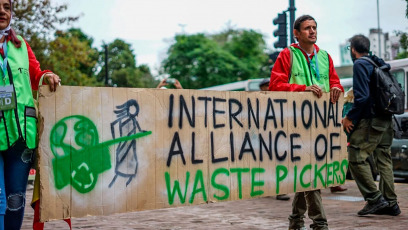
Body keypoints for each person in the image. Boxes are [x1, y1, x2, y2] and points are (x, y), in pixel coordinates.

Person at [269, 15, 344, 230]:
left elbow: (334, 82)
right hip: (294, 126)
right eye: (307, 28)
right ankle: (320, 223)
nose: (312, 31)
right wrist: (303, 89)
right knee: (311, 173)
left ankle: (296, 221)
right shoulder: (287, 55)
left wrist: (336, 88)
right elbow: (275, 86)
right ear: (296, 33)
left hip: (321, 127)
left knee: (309, 173)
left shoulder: (325, 57)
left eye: (314, 27)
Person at [0, 0, 61, 229]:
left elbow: (36, 74)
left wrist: (48, 76)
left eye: (7, 6)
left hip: (22, 137)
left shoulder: (21, 46)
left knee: (16, 200)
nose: (2, 11)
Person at [342, 34, 401, 216]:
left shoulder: (360, 64)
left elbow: (363, 97)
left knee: (356, 156)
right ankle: (391, 203)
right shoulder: (378, 63)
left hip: (372, 120)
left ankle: (375, 199)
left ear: (353, 49)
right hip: (386, 119)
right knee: (383, 160)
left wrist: (349, 117)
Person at [259, 79, 291, 201]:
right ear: (261, 88)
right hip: (264, 138)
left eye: (269, 85)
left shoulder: (279, 97)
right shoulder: (258, 100)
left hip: (278, 137)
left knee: (280, 163)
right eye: (266, 86)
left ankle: (281, 191)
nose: (268, 87)